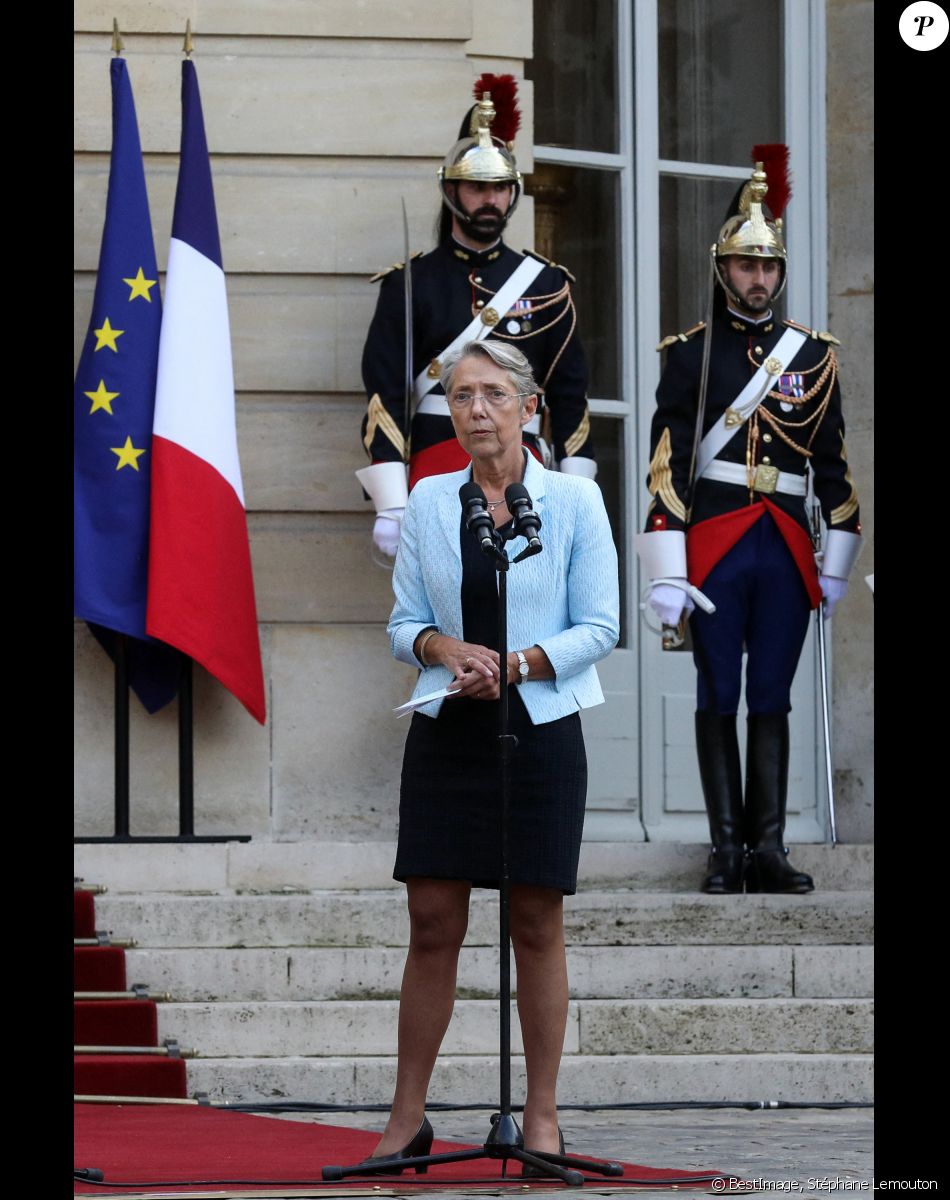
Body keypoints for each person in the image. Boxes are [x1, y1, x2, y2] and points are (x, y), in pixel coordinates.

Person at [368, 339, 618, 1171]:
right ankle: (407, 1120)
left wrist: (516, 664)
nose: (475, 410)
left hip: (540, 729)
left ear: (528, 406)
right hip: (448, 732)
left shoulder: (575, 503)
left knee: (535, 922)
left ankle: (540, 1118)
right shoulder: (431, 503)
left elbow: (601, 627)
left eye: (491, 395)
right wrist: (443, 648)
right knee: (432, 921)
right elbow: (403, 625)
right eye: (461, 396)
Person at [637, 151, 863, 895]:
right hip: (715, 541)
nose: (757, 280)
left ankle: (768, 848)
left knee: (772, 691)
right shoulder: (691, 356)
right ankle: (724, 849)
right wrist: (665, 571)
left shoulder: (816, 358)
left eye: (767, 267)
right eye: (744, 266)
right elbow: (665, 467)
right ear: (722, 269)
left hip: (787, 547)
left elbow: (832, 468)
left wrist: (834, 564)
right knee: (716, 691)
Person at [358, 74, 596, 559]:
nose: (490, 200)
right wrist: (391, 500)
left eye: (499, 188)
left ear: (514, 193)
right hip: (435, 468)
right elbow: (385, 394)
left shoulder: (547, 285)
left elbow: (570, 400)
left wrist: (576, 494)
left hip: (525, 472)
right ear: (450, 191)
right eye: (476, 187)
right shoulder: (410, 283)